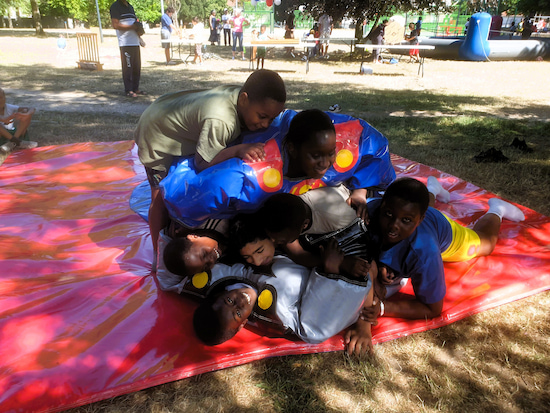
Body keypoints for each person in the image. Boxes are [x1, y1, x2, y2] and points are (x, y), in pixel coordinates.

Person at [134, 69, 286, 256]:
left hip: (168, 112)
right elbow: (203, 163)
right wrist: (239, 150)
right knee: (159, 197)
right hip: (155, 133)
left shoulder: (242, 100)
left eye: (271, 119)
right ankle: (159, 253)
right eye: (262, 116)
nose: (265, 124)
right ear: (244, 99)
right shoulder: (221, 121)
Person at [361, 177, 525, 323]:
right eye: (388, 214)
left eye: (405, 220)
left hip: (445, 232)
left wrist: (383, 308)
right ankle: (432, 190)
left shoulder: (425, 252)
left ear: (420, 220)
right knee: (412, 210)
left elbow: (432, 309)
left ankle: (497, 210)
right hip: (423, 219)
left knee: (485, 244)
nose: (393, 225)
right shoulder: (369, 211)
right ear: (382, 205)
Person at [192, 237, 377, 356]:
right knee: (373, 268)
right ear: (241, 325)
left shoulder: (223, 277)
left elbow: (169, 274)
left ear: (220, 294)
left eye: (229, 301)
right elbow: (313, 330)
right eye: (238, 313)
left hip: (301, 241)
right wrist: (332, 271)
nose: (240, 302)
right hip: (341, 256)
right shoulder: (278, 318)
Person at [110, 0, 145, 98]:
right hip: (125, 42)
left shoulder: (130, 7)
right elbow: (115, 25)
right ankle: (128, 90)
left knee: (136, 67)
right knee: (128, 67)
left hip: (135, 42)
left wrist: (139, 34)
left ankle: (135, 88)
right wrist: (132, 27)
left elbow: (135, 24)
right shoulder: (116, 6)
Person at [0, 88, 37, 155]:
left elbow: (31, 108)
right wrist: (5, 120)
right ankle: (17, 142)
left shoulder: (9, 107)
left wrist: (27, 114)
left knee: (25, 112)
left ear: (5, 98)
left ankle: (13, 142)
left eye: (1, 97)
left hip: (13, 132)